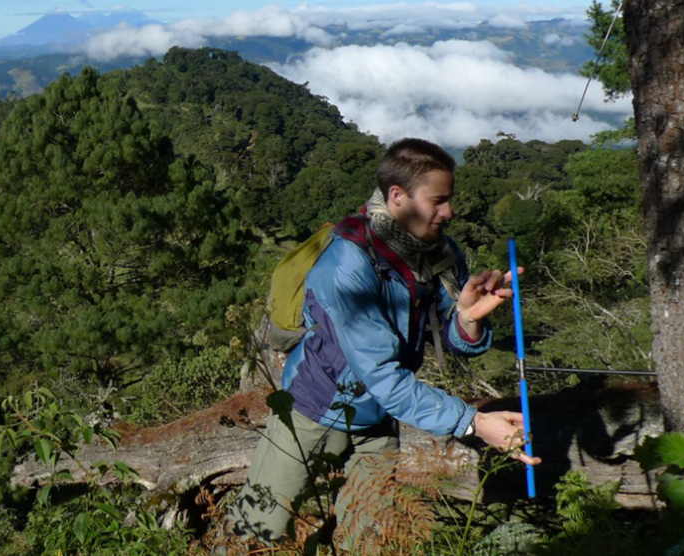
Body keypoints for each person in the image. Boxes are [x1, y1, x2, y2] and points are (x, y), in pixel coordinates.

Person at [225, 138, 541, 546]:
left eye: (450, 199)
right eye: (438, 200)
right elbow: (386, 378)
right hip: (312, 408)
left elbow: (454, 340)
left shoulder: (439, 254)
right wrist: (475, 423)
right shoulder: (347, 265)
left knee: (374, 537)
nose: (450, 212)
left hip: (376, 417)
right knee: (254, 530)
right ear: (397, 196)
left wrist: (466, 317)